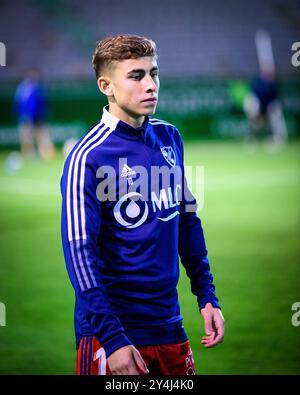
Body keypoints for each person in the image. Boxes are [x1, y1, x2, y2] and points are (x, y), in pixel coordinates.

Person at [60, 34, 224, 376]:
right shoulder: (87, 157)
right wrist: (113, 339)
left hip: (169, 326)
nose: (150, 85)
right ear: (106, 85)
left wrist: (206, 295)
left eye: (154, 73)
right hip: (114, 336)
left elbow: (187, 221)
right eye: (136, 76)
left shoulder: (169, 137)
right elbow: (80, 255)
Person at [13, 70, 55, 160]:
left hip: (39, 119)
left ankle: (46, 155)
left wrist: (43, 115)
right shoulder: (22, 89)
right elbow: (18, 105)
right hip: (26, 118)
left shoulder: (39, 89)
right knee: (27, 139)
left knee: (43, 138)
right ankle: (29, 156)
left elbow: (44, 104)